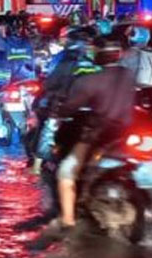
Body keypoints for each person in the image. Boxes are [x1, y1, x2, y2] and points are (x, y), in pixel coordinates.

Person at [53, 38, 137, 231]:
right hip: (126, 133)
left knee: (66, 173)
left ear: (97, 54)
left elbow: (68, 108)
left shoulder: (89, 81)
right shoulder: (129, 76)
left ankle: (67, 221)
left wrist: (58, 112)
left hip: (97, 135)